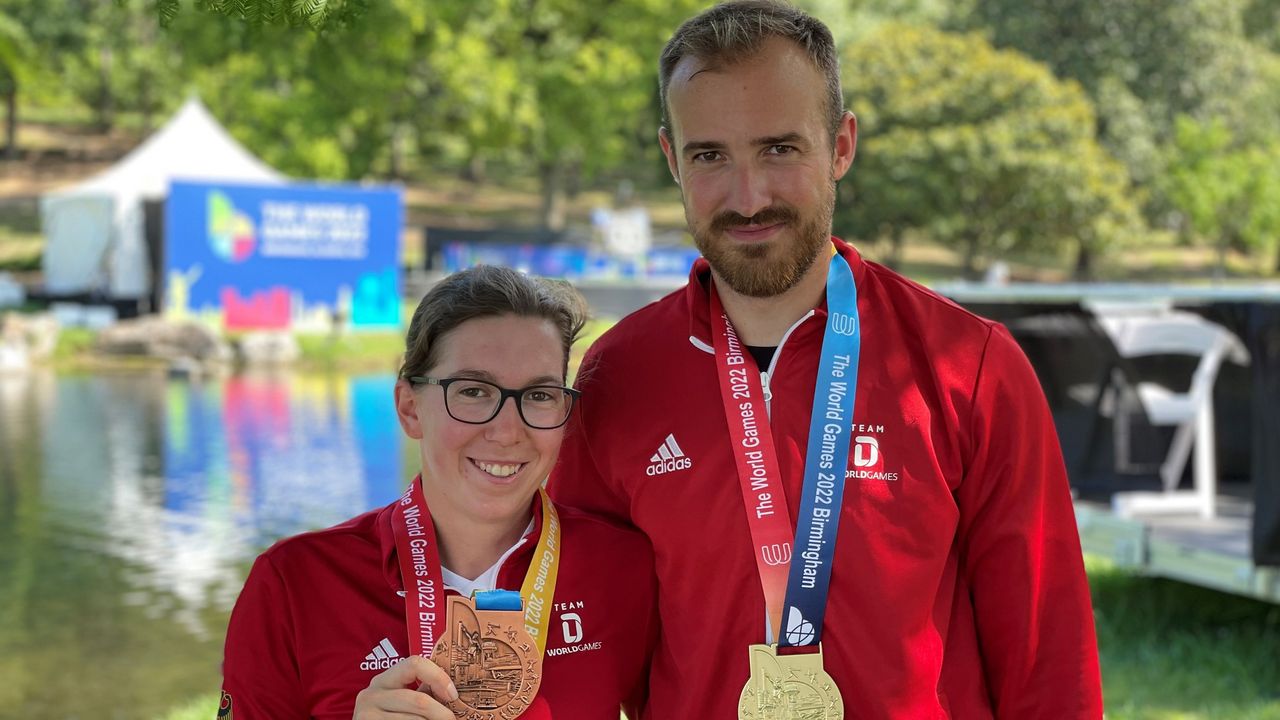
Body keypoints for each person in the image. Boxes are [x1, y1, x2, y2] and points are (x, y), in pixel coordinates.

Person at [550, 1, 1103, 718]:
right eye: (710, 155)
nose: (748, 197)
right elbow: (580, 651)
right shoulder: (616, 377)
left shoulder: (969, 366)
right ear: (671, 160)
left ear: (841, 146)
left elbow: (1048, 663)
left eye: (780, 149)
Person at [218, 266, 656, 719]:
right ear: (410, 408)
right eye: (472, 391)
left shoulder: (625, 568)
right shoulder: (294, 583)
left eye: (540, 396)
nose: (508, 431)